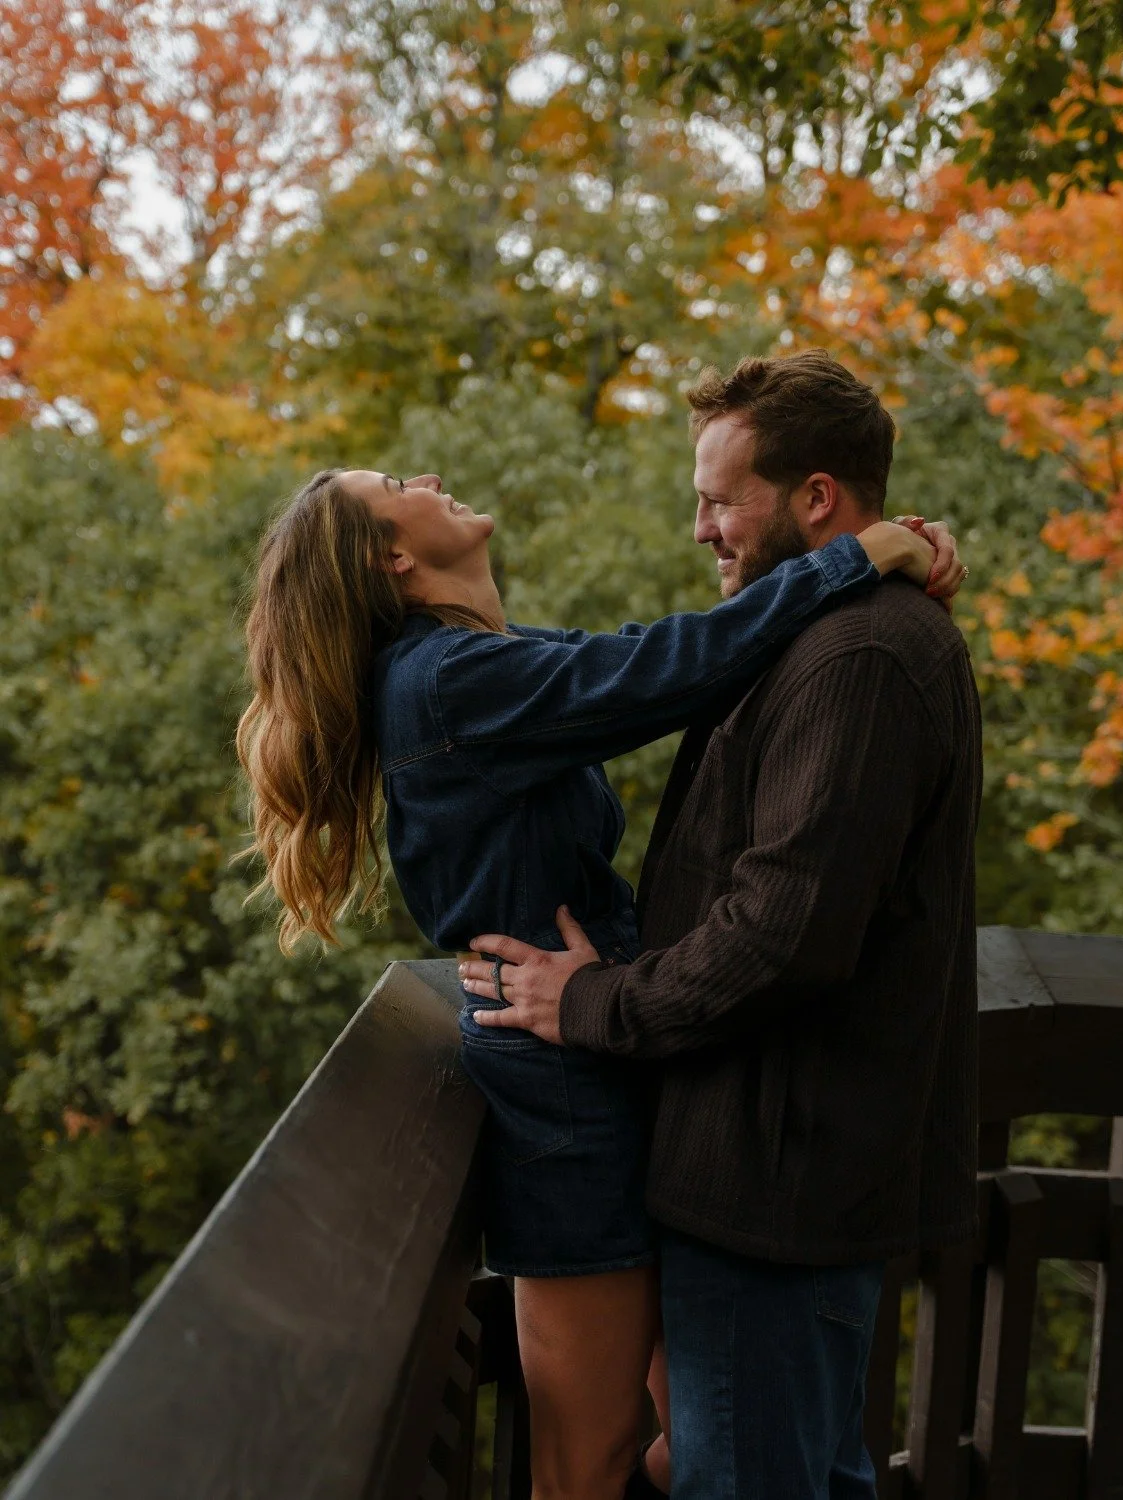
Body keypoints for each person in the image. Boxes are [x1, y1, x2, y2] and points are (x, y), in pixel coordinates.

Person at [236, 365, 964, 1500]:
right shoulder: (442, 682)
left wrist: (866, 560)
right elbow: (660, 667)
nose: (425, 475)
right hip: (558, 1076)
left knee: (707, 1443)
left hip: (617, 1056)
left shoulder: (480, 663)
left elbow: (648, 660)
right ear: (391, 555)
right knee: (594, 1462)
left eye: (724, 501)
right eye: (397, 485)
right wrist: (859, 559)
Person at [459, 350, 983, 1500]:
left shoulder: (860, 659)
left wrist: (589, 1001)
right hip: (768, 1163)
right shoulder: (814, 634)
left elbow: (781, 934)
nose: (701, 528)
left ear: (815, 500)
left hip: (776, 1183)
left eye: (719, 498)